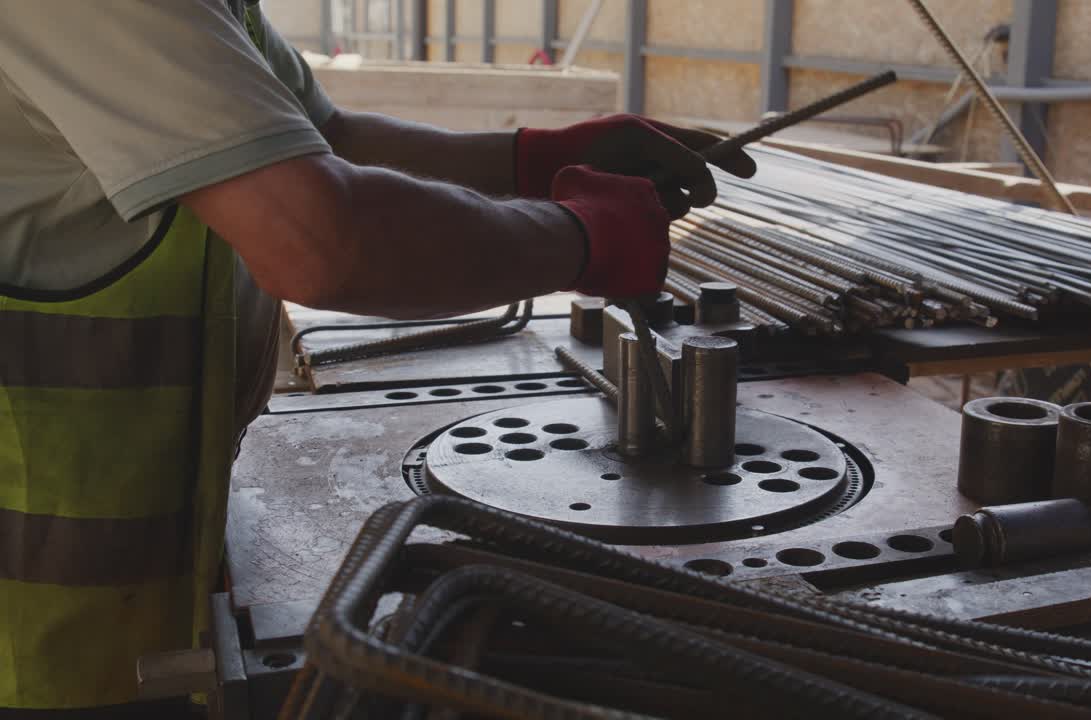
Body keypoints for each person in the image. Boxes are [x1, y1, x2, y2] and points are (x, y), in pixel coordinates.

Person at [0, 0, 755, 714]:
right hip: (37, 632)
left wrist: (534, 161)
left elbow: (325, 140)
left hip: (128, 583)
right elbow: (319, 241)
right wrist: (584, 238)